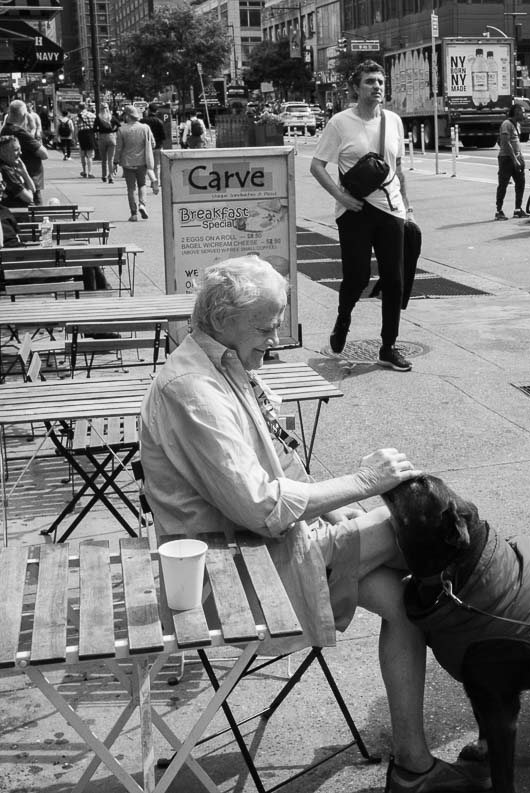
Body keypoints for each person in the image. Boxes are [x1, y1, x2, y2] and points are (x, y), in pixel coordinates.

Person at [139, 256, 490, 793]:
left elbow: (278, 469)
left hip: (264, 546)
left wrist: (334, 505)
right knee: (428, 522)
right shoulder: (191, 389)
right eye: (265, 326)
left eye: (277, 323)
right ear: (220, 319)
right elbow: (261, 506)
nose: (274, 338)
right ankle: (517, 658)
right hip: (233, 570)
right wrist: (362, 482)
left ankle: (414, 766)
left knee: (411, 605)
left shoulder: (224, 363)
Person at [310, 59, 415, 372]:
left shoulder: (394, 121)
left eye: (380, 81)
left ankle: (388, 346)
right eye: (370, 81)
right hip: (354, 210)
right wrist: (340, 196)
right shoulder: (340, 123)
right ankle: (342, 324)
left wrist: (407, 208)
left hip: (391, 209)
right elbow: (317, 166)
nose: (377, 87)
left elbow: (396, 169)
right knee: (357, 277)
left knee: (394, 280)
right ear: (355, 88)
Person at [113, 105, 157, 223]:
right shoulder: (145, 128)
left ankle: (133, 214)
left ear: (127, 116)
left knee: (131, 188)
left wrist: (115, 162)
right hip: (142, 161)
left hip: (127, 162)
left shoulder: (122, 129)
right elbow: (153, 144)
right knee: (142, 184)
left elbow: (118, 148)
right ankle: (142, 204)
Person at [2, 101, 48, 204]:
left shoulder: (5, 130)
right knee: (36, 210)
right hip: (29, 178)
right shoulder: (19, 132)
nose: (20, 152)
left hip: (19, 178)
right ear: (24, 116)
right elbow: (44, 154)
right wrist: (33, 130)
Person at [494, 103, 528, 221]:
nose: (524, 114)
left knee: (520, 184)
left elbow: (515, 142)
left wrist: (520, 157)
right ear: (516, 112)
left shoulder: (517, 125)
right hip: (506, 159)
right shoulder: (506, 124)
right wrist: (514, 159)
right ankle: (499, 211)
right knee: (503, 185)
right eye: (522, 112)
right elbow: (505, 142)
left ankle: (518, 210)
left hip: (516, 159)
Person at [0, 135, 35, 208]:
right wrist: (28, 188)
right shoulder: (6, 170)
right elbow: (29, 198)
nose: (20, 153)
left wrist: (25, 173)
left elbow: (33, 189)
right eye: (16, 150)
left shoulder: (12, 167)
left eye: (20, 149)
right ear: (3, 152)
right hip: (17, 215)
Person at [93, 103, 118, 183]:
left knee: (104, 159)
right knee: (111, 159)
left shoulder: (98, 118)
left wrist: (100, 130)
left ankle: (104, 175)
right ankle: (111, 176)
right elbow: (119, 125)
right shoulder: (112, 117)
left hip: (102, 138)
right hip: (111, 137)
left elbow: (94, 129)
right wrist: (113, 130)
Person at [145, 103, 167, 183]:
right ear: (156, 111)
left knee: (147, 166)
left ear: (148, 110)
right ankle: (157, 182)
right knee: (157, 166)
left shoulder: (143, 121)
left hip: (146, 147)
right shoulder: (159, 121)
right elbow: (163, 136)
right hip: (158, 146)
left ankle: (149, 180)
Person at [76, 102, 97, 178]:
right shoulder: (92, 115)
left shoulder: (78, 116)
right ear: (86, 107)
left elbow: (76, 127)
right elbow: (95, 126)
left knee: (83, 155)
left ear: (79, 108)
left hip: (81, 135)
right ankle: (90, 172)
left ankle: (84, 171)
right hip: (90, 134)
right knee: (90, 155)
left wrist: (75, 138)